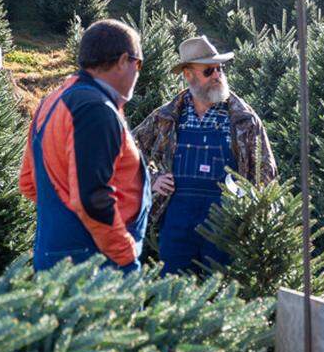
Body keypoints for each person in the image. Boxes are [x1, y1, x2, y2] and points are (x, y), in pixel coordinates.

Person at [132, 35, 277, 275]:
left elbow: (266, 170)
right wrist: (152, 177)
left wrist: (252, 214)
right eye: (208, 71)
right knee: (173, 290)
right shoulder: (167, 116)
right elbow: (129, 146)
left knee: (220, 293)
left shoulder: (243, 119)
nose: (218, 75)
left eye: (219, 69)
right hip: (177, 221)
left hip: (226, 223)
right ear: (188, 75)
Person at [19, 19, 151, 273]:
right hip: (95, 262)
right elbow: (91, 198)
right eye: (139, 63)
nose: (138, 72)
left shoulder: (52, 101)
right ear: (124, 60)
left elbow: (28, 182)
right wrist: (123, 252)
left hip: (53, 254)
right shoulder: (95, 110)